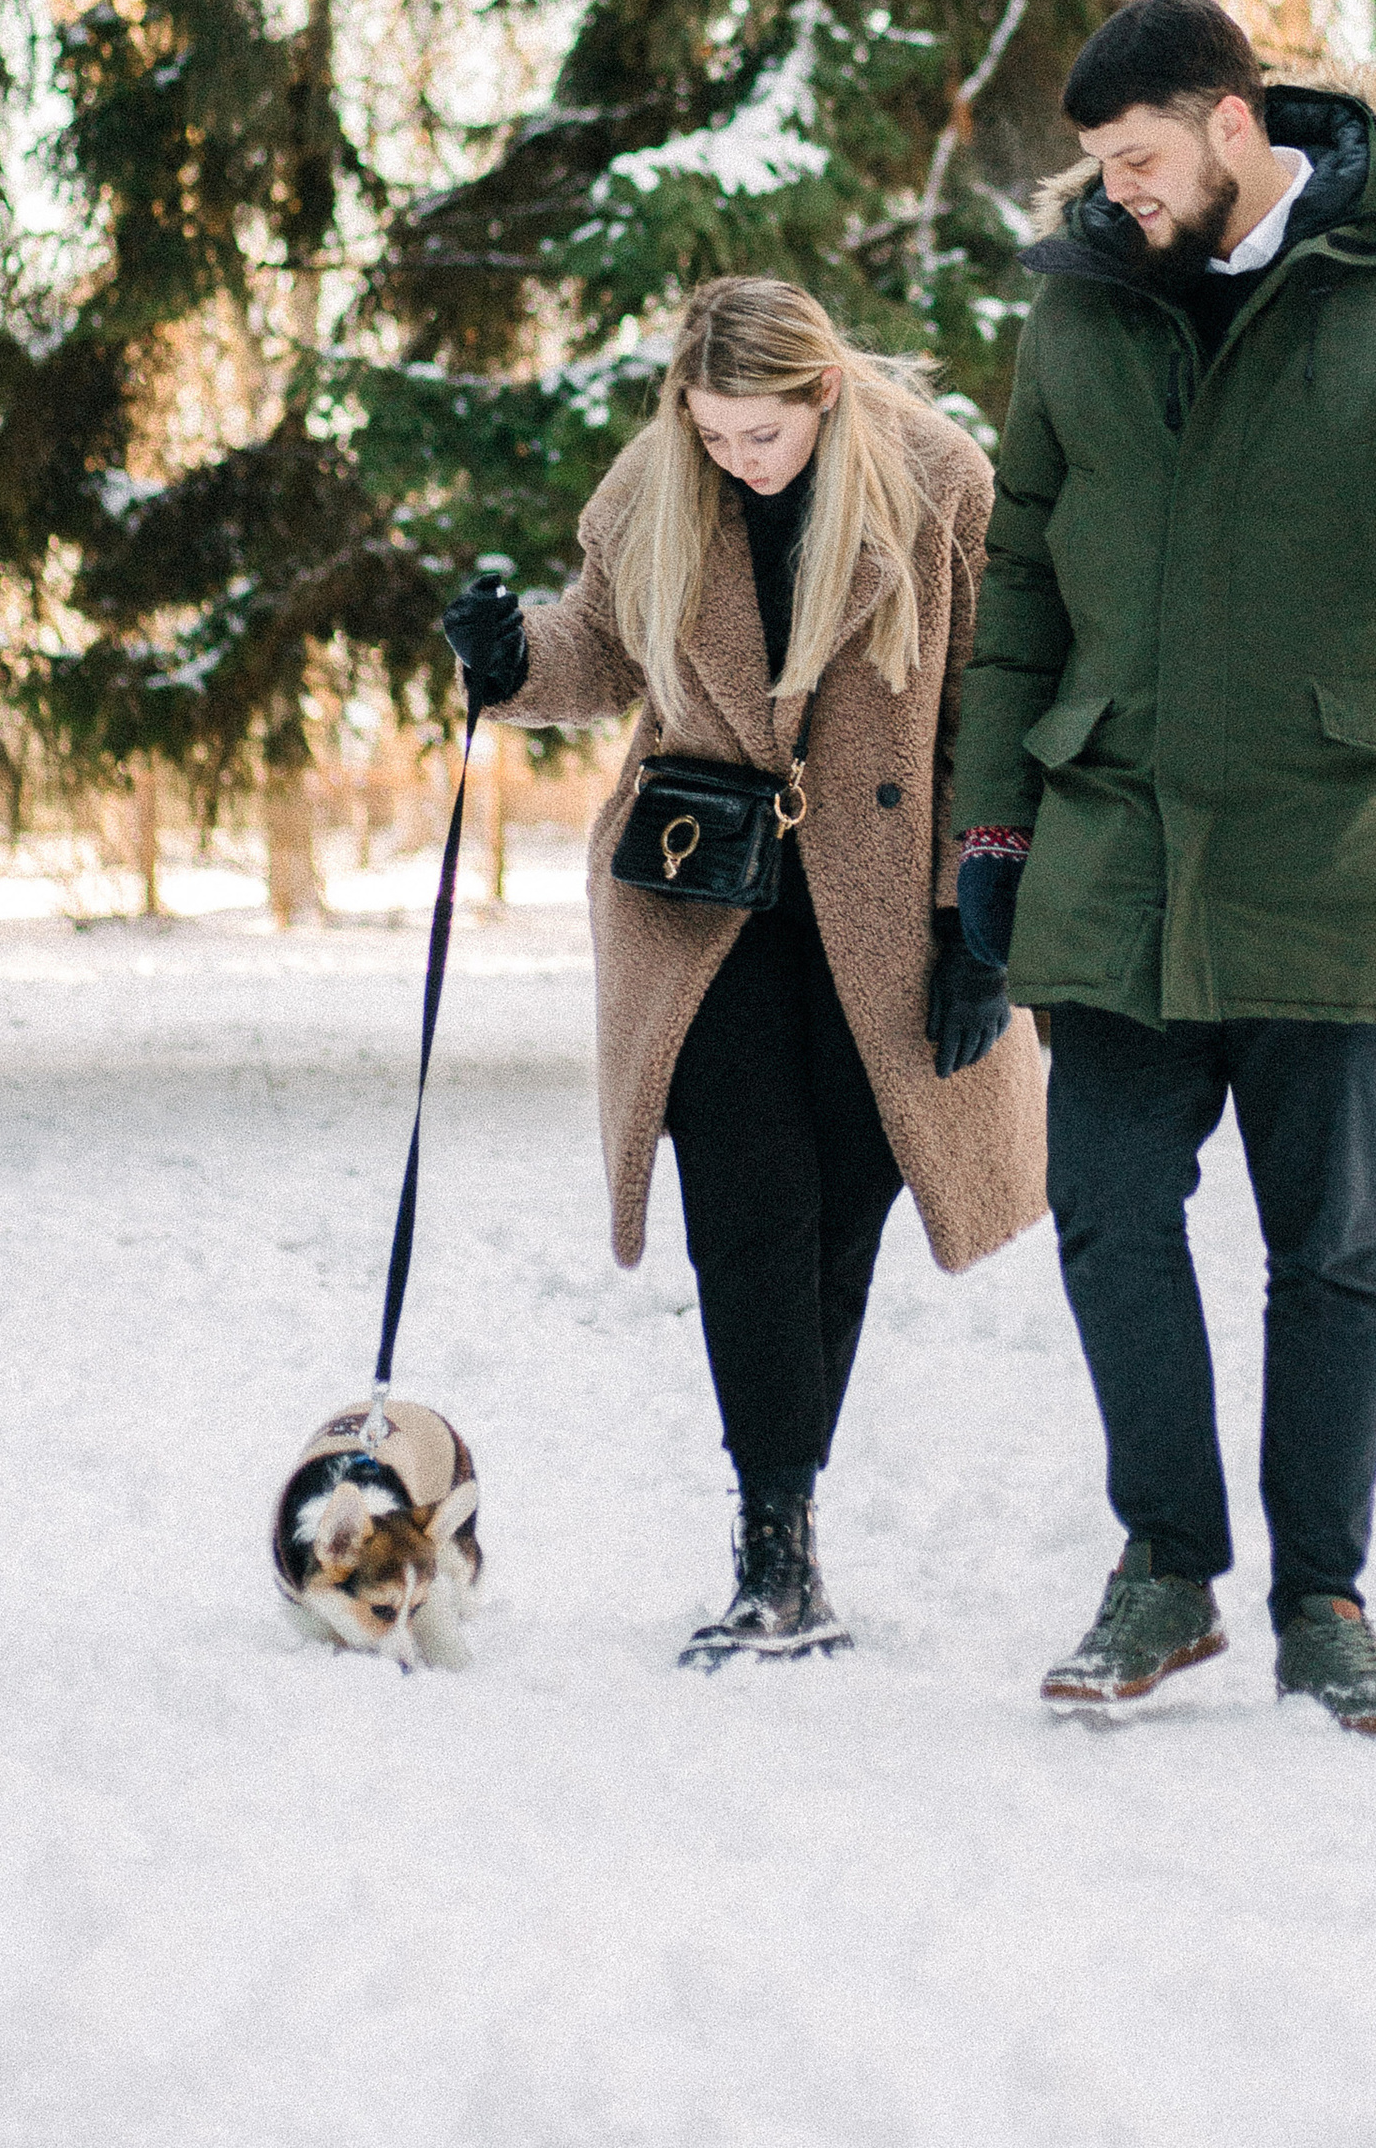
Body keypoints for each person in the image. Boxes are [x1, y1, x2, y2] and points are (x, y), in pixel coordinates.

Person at [950, 0, 1376, 1735]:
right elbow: (1019, 578)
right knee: (1104, 1208)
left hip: (1334, 834)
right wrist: (990, 824)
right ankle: (1168, 1568)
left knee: (1327, 1245)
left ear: (1235, 124)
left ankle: (1324, 1595)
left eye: (1143, 158)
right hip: (1114, 836)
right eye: (1101, 165)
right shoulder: (1085, 310)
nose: (1119, 194)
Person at [443, 276, 1047, 1667]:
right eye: (710, 433)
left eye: (756, 439)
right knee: (747, 1208)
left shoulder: (940, 485)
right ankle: (772, 1549)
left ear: (823, 395)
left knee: (843, 1206)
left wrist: (980, 924)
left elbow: (986, 710)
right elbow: (600, 640)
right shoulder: (663, 484)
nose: (731, 460)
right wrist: (511, 652)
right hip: (703, 898)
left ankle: (793, 1516)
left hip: (888, 906)